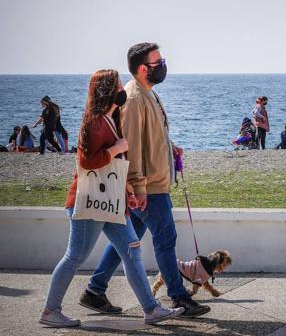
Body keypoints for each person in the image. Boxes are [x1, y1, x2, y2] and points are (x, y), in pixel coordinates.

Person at [39, 69, 183, 328]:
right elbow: (86, 162)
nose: (122, 89)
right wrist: (116, 148)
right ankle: (50, 311)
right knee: (74, 257)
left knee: (131, 252)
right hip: (88, 204)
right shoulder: (94, 123)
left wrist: (128, 193)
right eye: (117, 85)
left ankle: (151, 310)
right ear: (107, 90)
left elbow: (113, 168)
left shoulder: (109, 120)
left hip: (110, 202)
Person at [80, 43, 210, 318]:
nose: (163, 64)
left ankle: (94, 290)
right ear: (142, 68)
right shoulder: (135, 99)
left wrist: (169, 146)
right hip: (147, 187)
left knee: (128, 241)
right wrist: (137, 187)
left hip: (153, 183)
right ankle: (179, 297)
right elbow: (132, 147)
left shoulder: (149, 95)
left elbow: (150, 136)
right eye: (158, 61)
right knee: (166, 237)